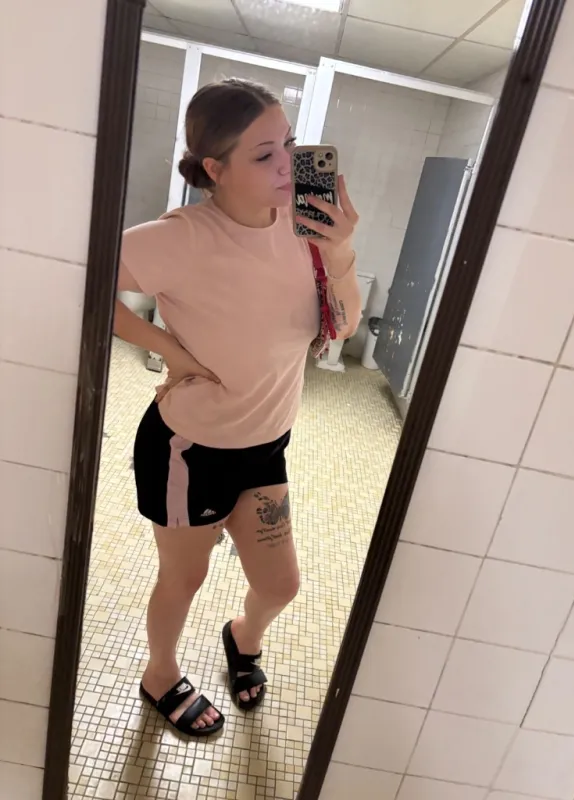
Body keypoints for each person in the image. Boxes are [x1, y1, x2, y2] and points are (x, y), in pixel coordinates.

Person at [114, 78, 361, 736]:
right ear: (215, 169)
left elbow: (340, 326)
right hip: (190, 448)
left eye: (289, 144)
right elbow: (88, 276)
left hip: (265, 443)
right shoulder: (184, 237)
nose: (287, 164)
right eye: (264, 154)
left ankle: (242, 636)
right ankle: (159, 674)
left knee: (280, 586)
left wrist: (338, 250)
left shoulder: (305, 228)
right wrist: (171, 351)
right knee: (184, 578)